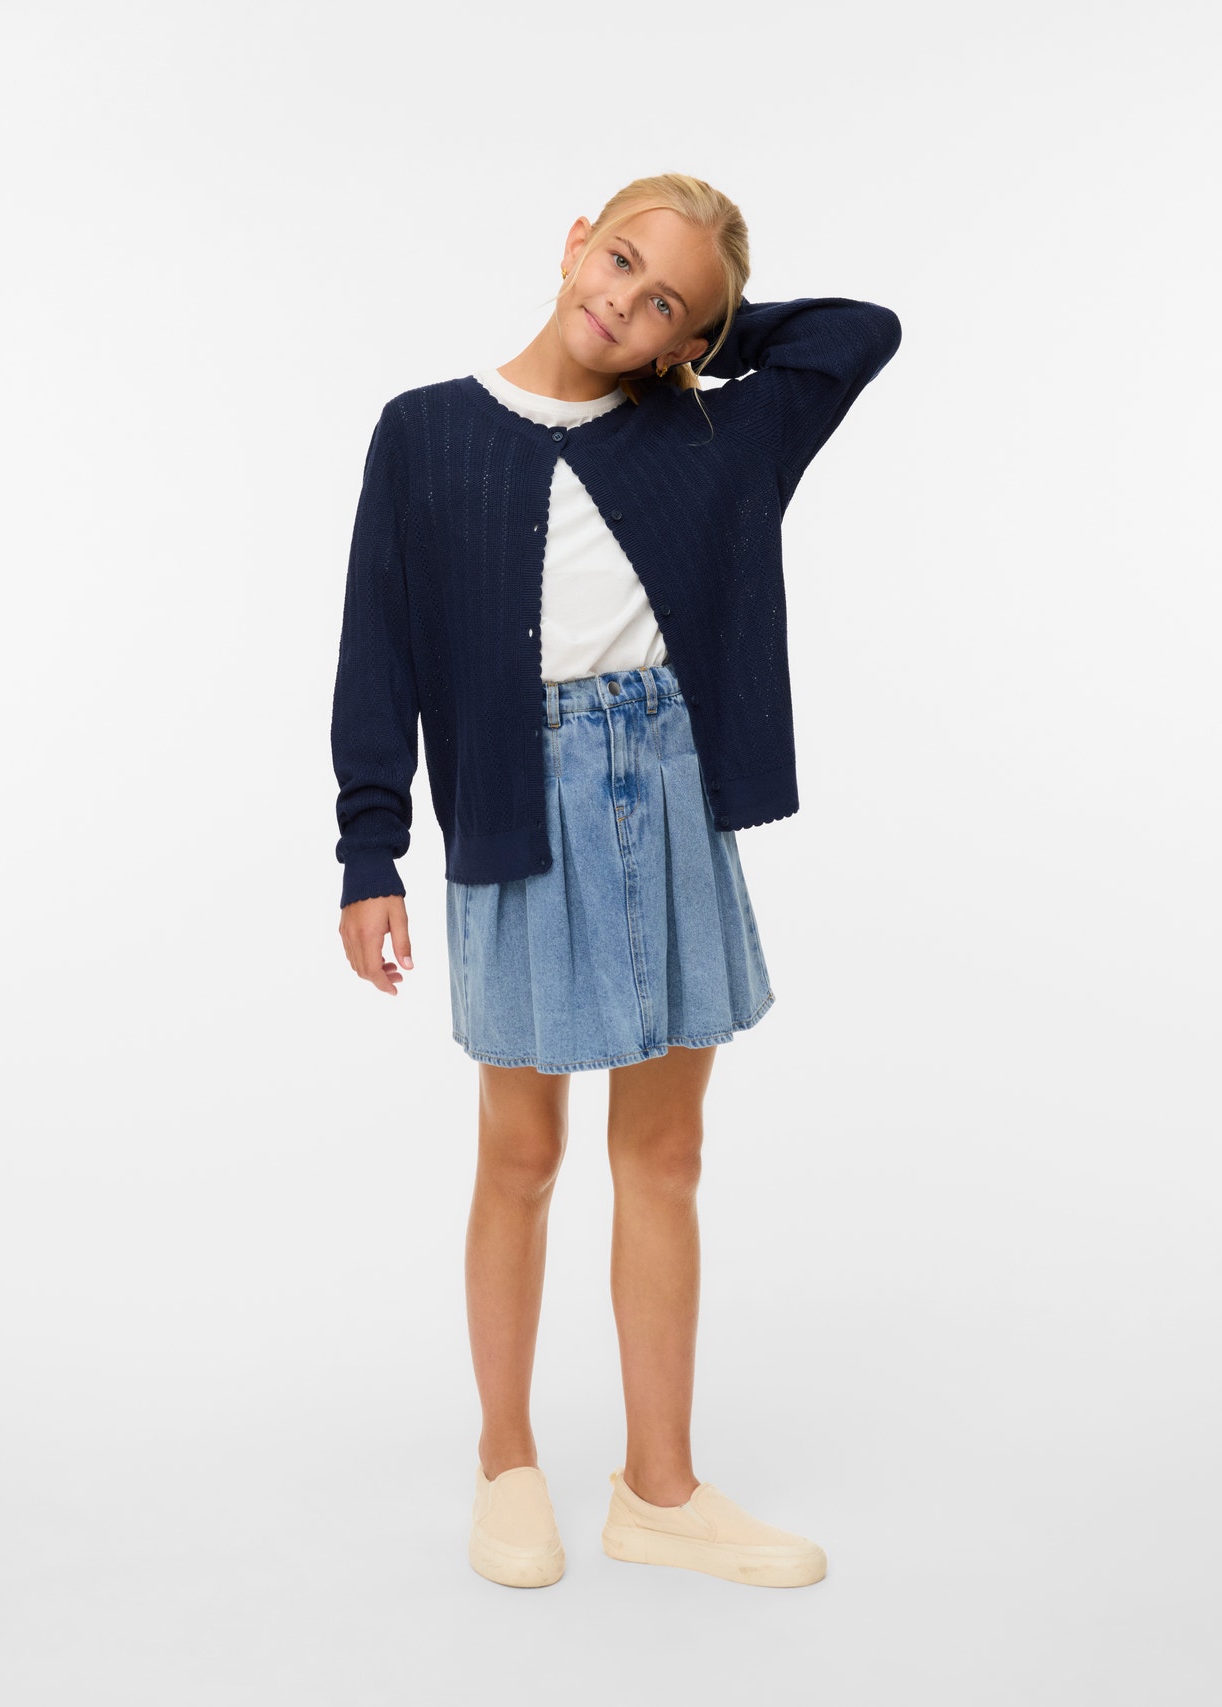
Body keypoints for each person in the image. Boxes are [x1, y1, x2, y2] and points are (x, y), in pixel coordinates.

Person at [330, 173, 901, 1589]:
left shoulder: (710, 432)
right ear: (576, 235)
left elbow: (861, 332)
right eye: (624, 261)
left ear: (687, 342)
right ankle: (505, 1460)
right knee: (521, 1153)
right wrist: (369, 846)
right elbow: (378, 645)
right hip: (514, 799)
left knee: (665, 1155)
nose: (625, 305)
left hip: (673, 787)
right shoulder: (425, 432)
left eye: (664, 307)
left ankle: (659, 1490)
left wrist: (710, 334)